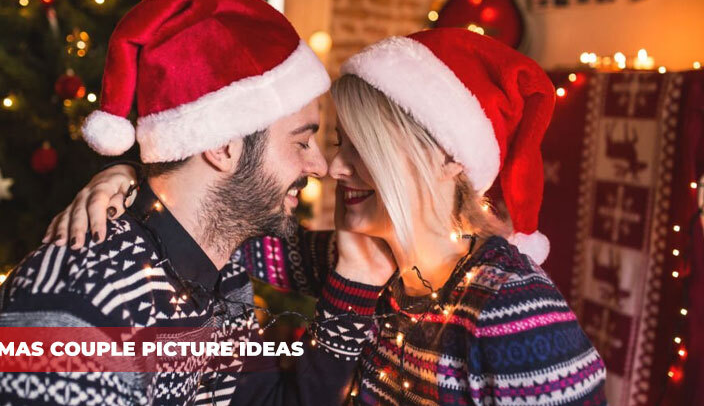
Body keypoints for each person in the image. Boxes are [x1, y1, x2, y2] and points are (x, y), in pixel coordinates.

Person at [59, 28, 608, 404]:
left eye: (361, 146)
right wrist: (136, 178)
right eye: (337, 142)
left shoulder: (513, 308)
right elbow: (212, 228)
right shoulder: (374, 259)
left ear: (447, 159)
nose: (333, 167)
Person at [0, 0, 395, 406]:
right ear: (222, 147)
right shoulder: (79, 315)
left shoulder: (220, 265)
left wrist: (358, 272)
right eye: (301, 142)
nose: (320, 166)